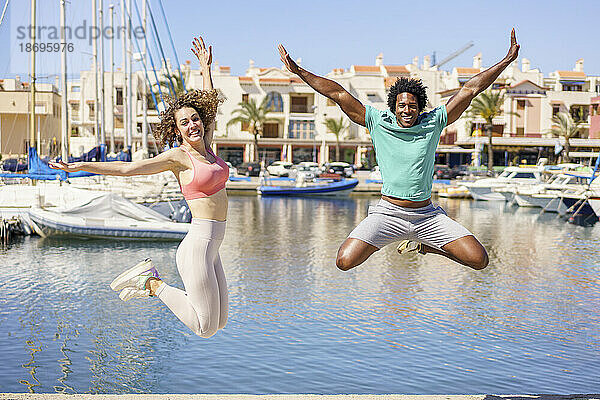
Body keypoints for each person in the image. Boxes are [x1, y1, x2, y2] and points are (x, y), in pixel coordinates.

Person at [278, 29, 520, 271]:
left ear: (419, 107)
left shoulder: (433, 122)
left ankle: (425, 247)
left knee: (479, 260)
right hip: (388, 214)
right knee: (344, 261)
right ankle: (387, 239)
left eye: (412, 106)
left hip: (427, 216)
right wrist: (299, 72)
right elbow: (338, 93)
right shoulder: (377, 121)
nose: (407, 110)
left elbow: (470, 90)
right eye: (401, 105)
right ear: (393, 106)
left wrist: (507, 61)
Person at [50, 36, 229, 338]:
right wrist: (81, 165)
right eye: (184, 122)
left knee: (219, 322)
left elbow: (210, 103)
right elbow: (127, 168)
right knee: (203, 327)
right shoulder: (179, 157)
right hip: (198, 245)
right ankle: (152, 283)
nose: (193, 125)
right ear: (176, 130)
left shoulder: (208, 148)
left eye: (195, 118)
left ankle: (152, 283)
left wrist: (204, 67)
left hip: (214, 247)